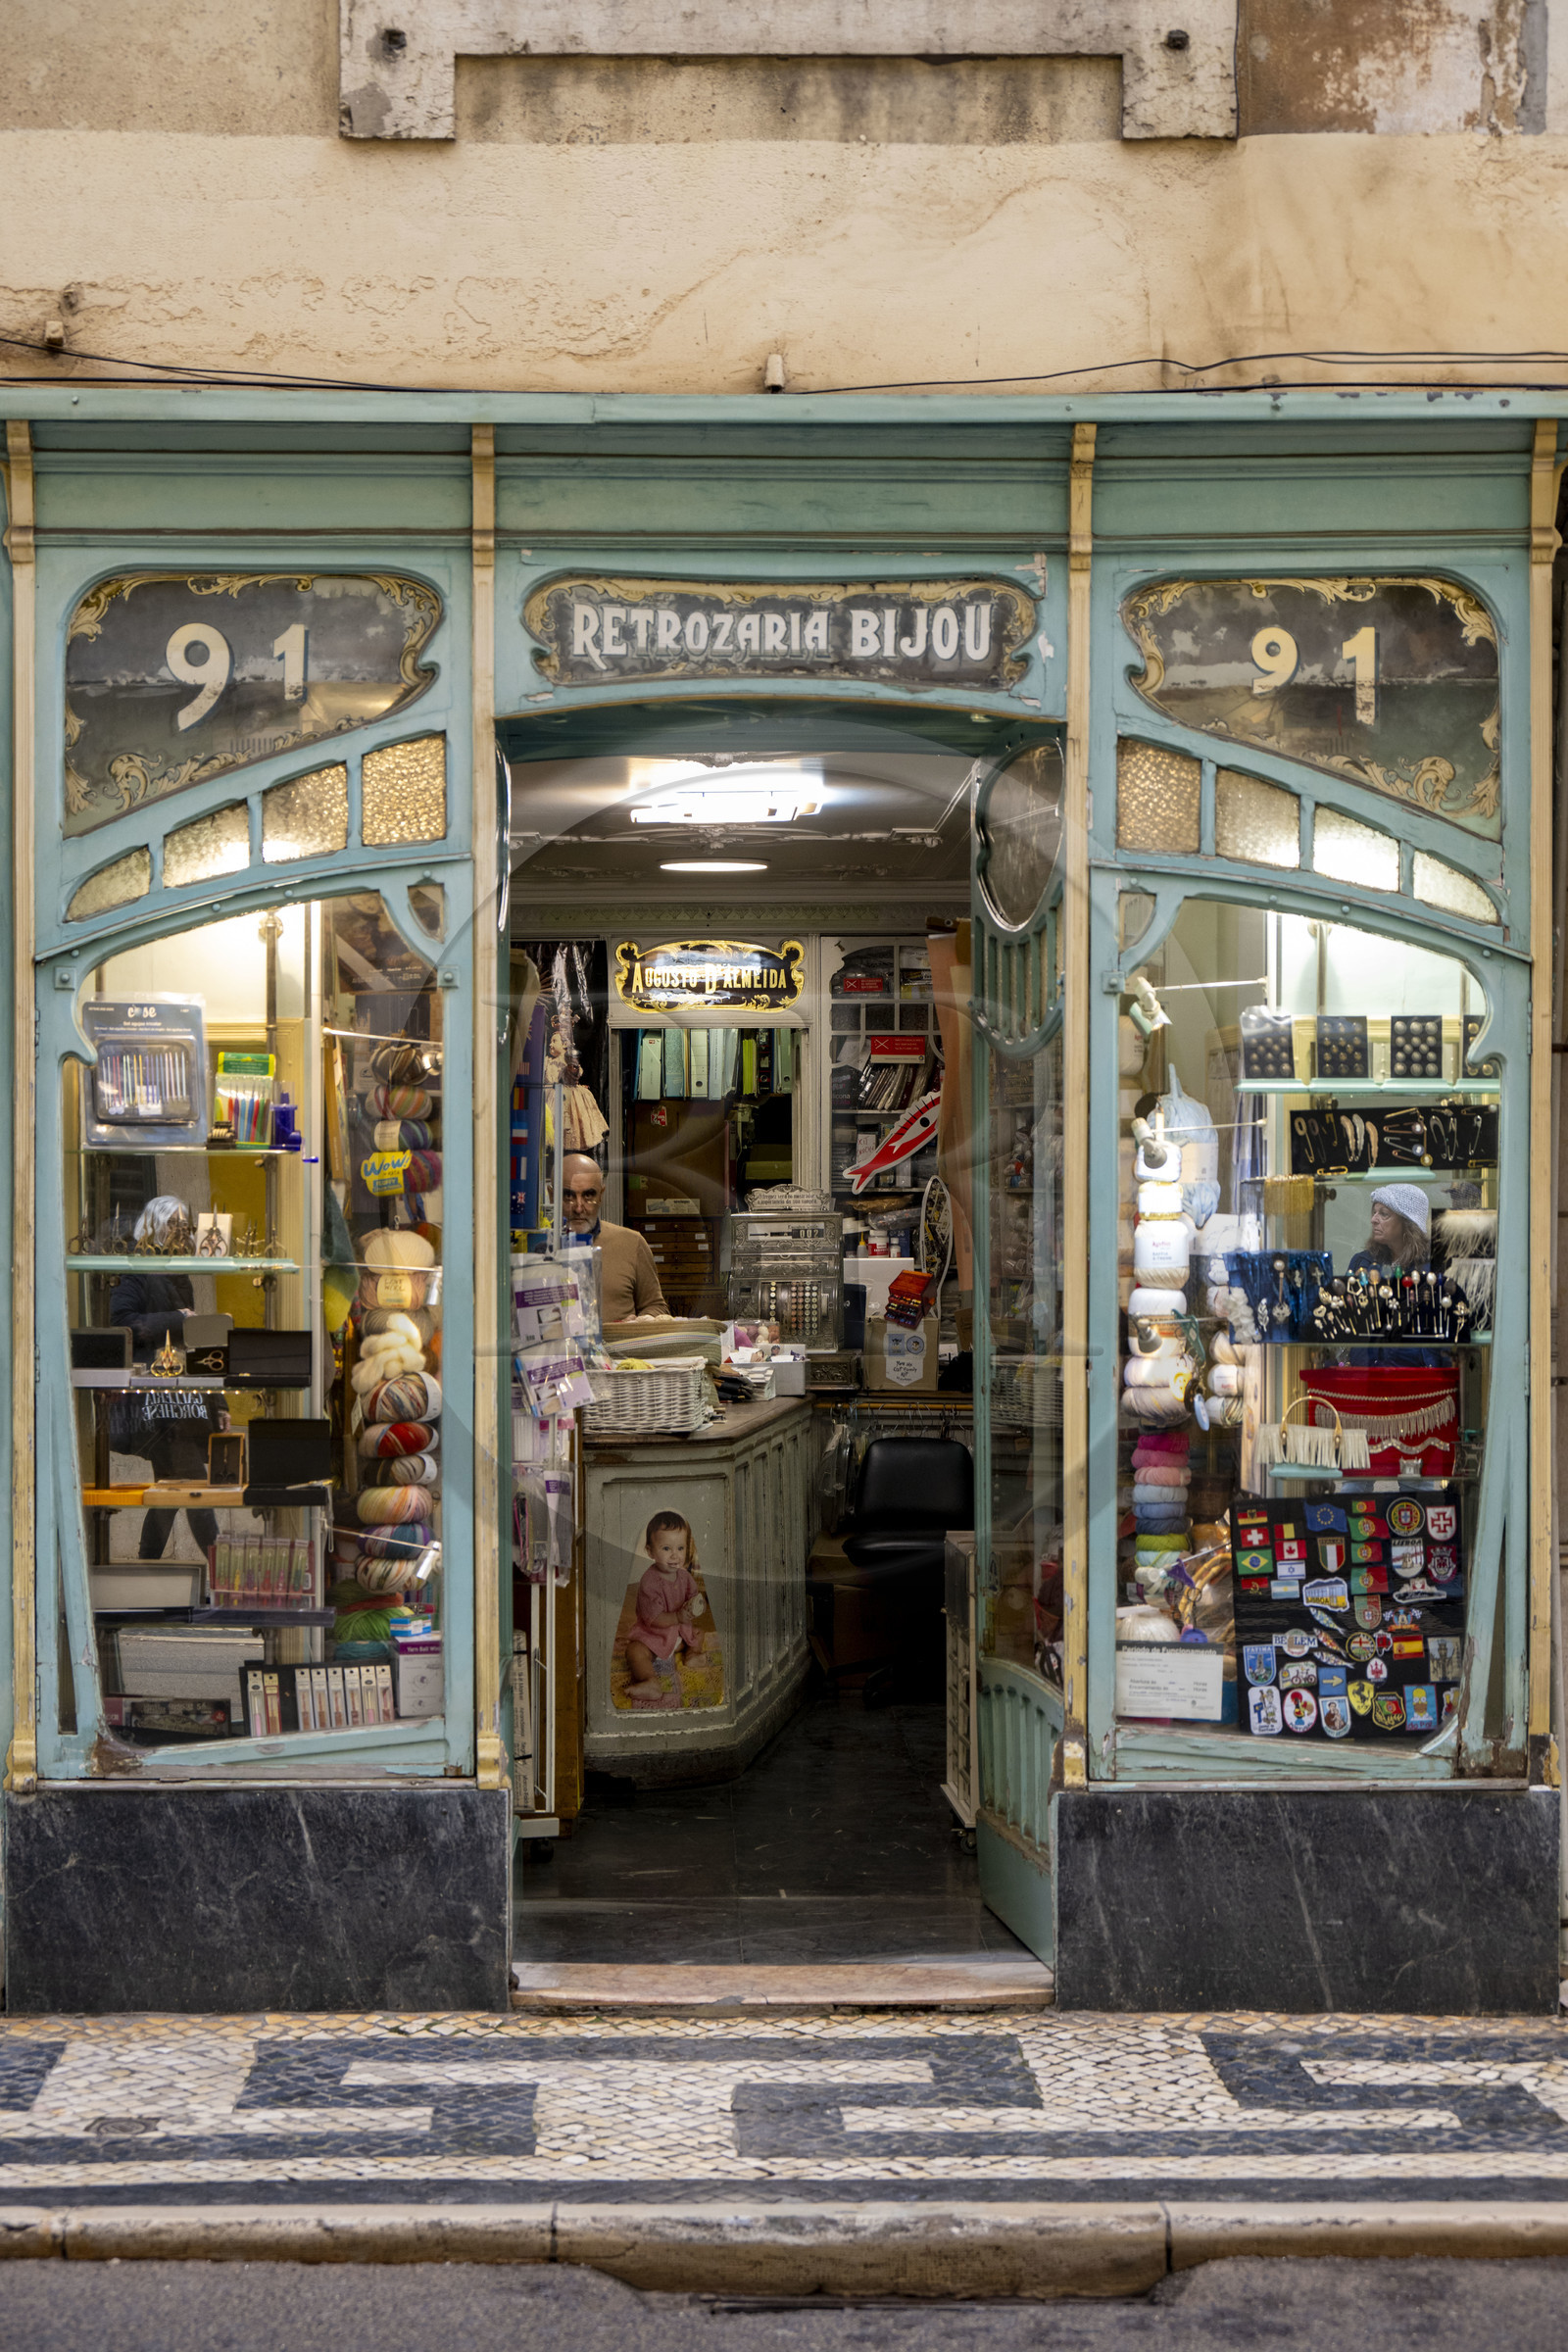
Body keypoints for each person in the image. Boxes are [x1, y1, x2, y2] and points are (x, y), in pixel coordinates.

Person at [109, 1196, 224, 1564]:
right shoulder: (137, 1267)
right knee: (191, 1485)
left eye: (185, 1225)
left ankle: (145, 1570)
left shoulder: (176, 1270)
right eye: (174, 1224)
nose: (182, 1231)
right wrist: (177, 1316)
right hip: (154, 1401)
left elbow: (196, 1342)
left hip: (181, 1399)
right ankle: (224, 1574)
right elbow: (123, 1322)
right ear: (155, 1224)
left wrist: (218, 1401)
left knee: (173, 1489)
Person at [561, 1151, 669, 1322]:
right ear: (552, 1195)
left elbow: (656, 1306)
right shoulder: (536, 1247)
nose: (579, 1208)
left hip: (618, 1348)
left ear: (601, 1195)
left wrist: (642, 1320)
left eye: (588, 1195)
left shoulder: (632, 1243)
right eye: (568, 1196)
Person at [624, 1509, 707, 1700]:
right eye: (666, 1549)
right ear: (650, 1551)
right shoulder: (649, 1582)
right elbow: (653, 1618)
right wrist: (677, 1617)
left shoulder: (685, 1577)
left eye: (680, 1548)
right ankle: (650, 1681)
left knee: (699, 1634)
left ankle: (692, 1655)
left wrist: (696, 1607)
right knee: (634, 1651)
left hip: (679, 1636)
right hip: (654, 1638)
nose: (675, 1556)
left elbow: (694, 1598)